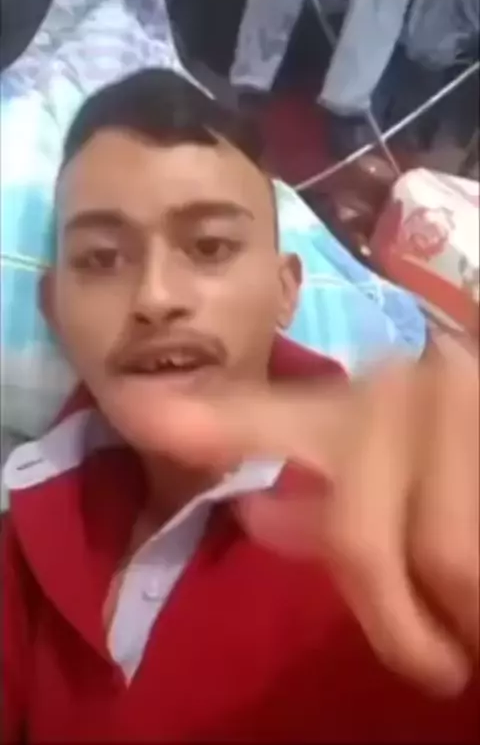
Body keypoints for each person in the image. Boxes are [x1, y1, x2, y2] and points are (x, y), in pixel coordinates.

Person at [2, 69, 478, 743]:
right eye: (103, 259)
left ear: (287, 292)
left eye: (209, 247)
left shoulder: (409, 527)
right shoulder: (24, 532)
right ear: (53, 309)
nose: (156, 297)